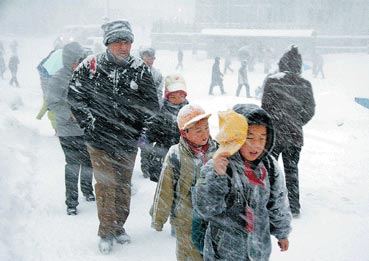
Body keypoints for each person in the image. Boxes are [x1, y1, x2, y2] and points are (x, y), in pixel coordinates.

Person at [67, 20, 159, 254]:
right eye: (118, 41)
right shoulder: (91, 66)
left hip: (128, 142)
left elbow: (151, 105)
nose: (123, 46)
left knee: (122, 186)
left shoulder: (139, 68)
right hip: (99, 141)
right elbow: (75, 97)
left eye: (127, 41)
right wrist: (90, 123)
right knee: (106, 186)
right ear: (108, 43)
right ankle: (106, 231)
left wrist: (142, 132)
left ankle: (119, 227)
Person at [195, 104, 292, 261]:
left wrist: (282, 232)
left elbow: (278, 201)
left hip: (259, 249)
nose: (257, 145)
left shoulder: (268, 165)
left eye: (262, 138)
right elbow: (205, 209)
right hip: (224, 251)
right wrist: (217, 177)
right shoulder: (218, 164)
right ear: (236, 136)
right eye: (250, 137)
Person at [151, 104, 217, 261]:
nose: (204, 134)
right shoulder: (176, 155)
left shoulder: (218, 151)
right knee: (188, 254)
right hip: (185, 218)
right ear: (184, 133)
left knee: (212, 254)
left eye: (206, 128)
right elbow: (165, 188)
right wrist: (158, 218)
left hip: (213, 217)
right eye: (198, 130)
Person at [261, 45, 315, 217]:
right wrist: (296, 122)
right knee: (292, 171)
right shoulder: (305, 85)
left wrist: (275, 121)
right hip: (294, 136)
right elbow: (309, 110)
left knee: (270, 170)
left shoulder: (272, 81)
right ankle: (294, 206)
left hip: (274, 135)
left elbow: (265, 107)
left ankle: (269, 204)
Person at [46, 42, 95, 215]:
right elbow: (52, 103)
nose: (79, 62)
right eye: (76, 60)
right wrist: (70, 113)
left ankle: (87, 191)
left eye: (81, 59)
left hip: (86, 128)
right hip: (68, 130)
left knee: (88, 162)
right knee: (73, 164)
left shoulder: (85, 76)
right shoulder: (58, 79)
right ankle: (71, 202)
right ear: (68, 60)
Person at [140, 73, 189, 182]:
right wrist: (146, 139)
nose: (177, 99)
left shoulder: (190, 112)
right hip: (162, 155)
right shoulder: (160, 112)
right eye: (173, 96)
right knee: (165, 185)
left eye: (181, 96)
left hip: (183, 156)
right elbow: (152, 130)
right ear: (167, 96)